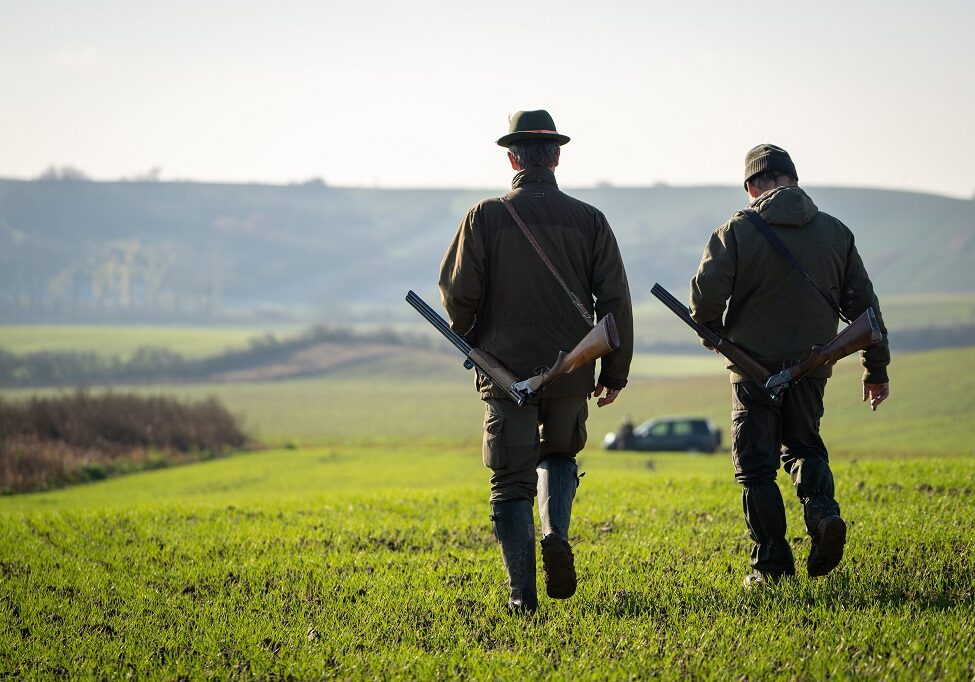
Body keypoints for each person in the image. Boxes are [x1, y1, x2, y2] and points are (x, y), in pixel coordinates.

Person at [439, 110, 633, 612]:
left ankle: (522, 597)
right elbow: (615, 304)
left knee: (509, 480)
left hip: (505, 372)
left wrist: (474, 340)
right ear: (557, 156)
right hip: (572, 367)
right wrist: (614, 372)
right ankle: (554, 532)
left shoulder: (484, 217)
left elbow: (458, 296)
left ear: (512, 158)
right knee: (560, 457)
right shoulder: (590, 220)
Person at [689, 143, 890, 588]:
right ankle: (823, 516)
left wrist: (715, 333)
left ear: (751, 186)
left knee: (756, 467)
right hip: (812, 369)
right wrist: (876, 369)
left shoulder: (735, 231)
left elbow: (704, 301)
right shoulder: (836, 232)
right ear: (793, 179)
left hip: (752, 370)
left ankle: (771, 567)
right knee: (804, 447)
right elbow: (867, 311)